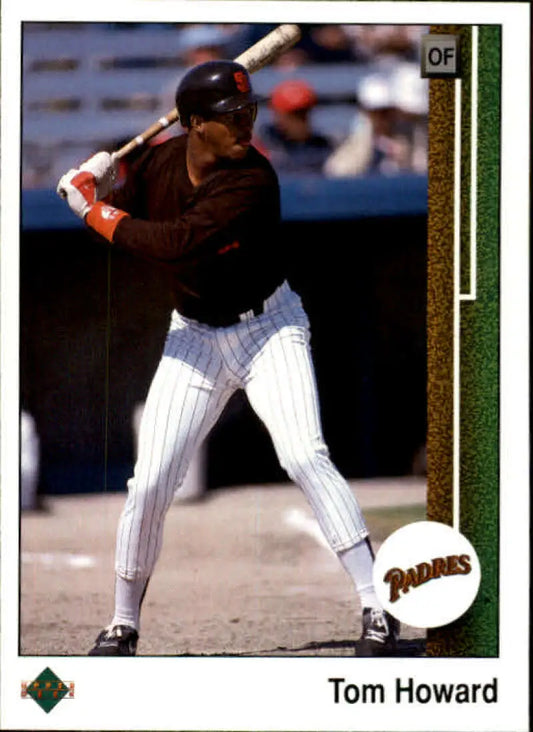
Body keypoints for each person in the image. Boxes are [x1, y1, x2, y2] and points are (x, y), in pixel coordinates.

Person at [57, 59, 400, 657]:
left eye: (249, 112)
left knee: (304, 454)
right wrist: (101, 171)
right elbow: (123, 185)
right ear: (194, 125)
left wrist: (91, 210)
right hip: (193, 336)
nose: (245, 124)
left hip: (270, 328)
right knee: (151, 481)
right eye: (229, 117)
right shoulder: (160, 160)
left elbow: (172, 243)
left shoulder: (253, 180)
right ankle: (122, 622)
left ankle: (377, 606)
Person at [258, 79, 334, 175]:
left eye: (304, 113)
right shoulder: (262, 147)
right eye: (294, 114)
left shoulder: (322, 146)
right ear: (278, 116)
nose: (301, 121)